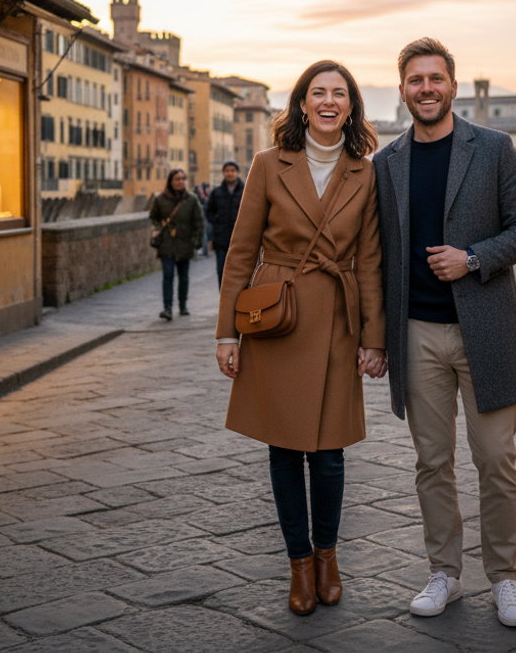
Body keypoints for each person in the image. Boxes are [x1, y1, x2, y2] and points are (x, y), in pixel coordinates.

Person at [373, 37, 516, 628]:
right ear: (403, 90)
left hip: (485, 332)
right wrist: (375, 337)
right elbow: (376, 254)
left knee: (497, 459)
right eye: (415, 80)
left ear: (453, 84)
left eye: (436, 78)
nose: (426, 89)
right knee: (431, 461)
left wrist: (471, 258)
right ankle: (443, 571)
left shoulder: (493, 148)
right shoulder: (386, 162)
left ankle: (506, 579)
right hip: (416, 333)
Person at [215, 60, 386, 616]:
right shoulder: (269, 164)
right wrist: (227, 334)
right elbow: (241, 251)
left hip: (336, 318)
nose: (330, 101)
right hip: (277, 318)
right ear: (303, 104)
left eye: (340, 93)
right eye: (319, 93)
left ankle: (327, 557)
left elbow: (370, 262)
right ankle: (297, 564)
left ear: (351, 106)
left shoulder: (366, 171)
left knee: (330, 454)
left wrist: (373, 338)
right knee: (284, 450)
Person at [149, 168, 205, 320]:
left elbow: (199, 222)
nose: (180, 182)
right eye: (177, 179)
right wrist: (160, 225)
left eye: (182, 179)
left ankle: (183, 305)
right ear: (171, 181)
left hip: (185, 243)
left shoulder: (191, 199)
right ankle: (167, 308)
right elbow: (153, 217)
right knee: (168, 275)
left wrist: (197, 242)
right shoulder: (160, 199)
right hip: (166, 243)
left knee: (183, 277)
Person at [206, 160, 244, 286]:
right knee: (221, 271)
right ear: (223, 173)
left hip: (241, 240)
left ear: (237, 173)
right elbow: (208, 211)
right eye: (227, 171)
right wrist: (216, 223)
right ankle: (224, 302)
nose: (230, 173)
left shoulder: (246, 191)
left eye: (232, 170)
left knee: (240, 272)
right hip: (221, 239)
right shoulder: (216, 193)